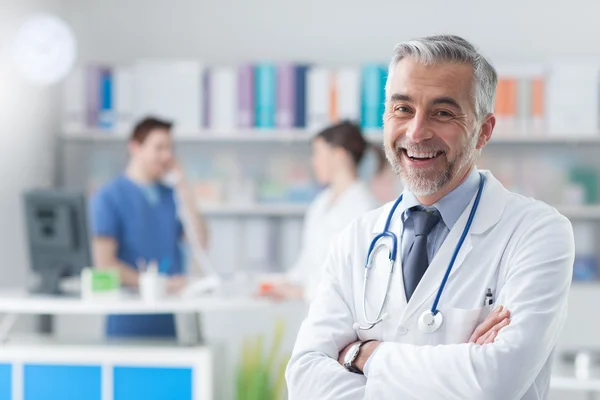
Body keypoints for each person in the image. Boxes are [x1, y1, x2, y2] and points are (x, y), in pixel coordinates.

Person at [285, 35, 574, 399]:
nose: (417, 132)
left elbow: (495, 382)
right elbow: (305, 378)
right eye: (402, 109)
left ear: (483, 131)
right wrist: (459, 366)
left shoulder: (537, 233)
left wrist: (365, 354)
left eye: (442, 113)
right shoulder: (357, 238)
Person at [91, 116, 209, 338]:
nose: (167, 156)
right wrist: (158, 285)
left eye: (170, 149)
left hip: (169, 315)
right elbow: (104, 263)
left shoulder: (171, 196)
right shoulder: (109, 196)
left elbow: (201, 242)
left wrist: (184, 185)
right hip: (128, 316)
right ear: (135, 148)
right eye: (159, 148)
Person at [259, 121, 379, 302]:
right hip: (313, 308)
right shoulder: (321, 203)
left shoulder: (365, 209)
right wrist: (280, 284)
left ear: (339, 156)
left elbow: (358, 278)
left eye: (317, 154)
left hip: (343, 315)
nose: (313, 161)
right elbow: (307, 262)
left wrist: (303, 292)